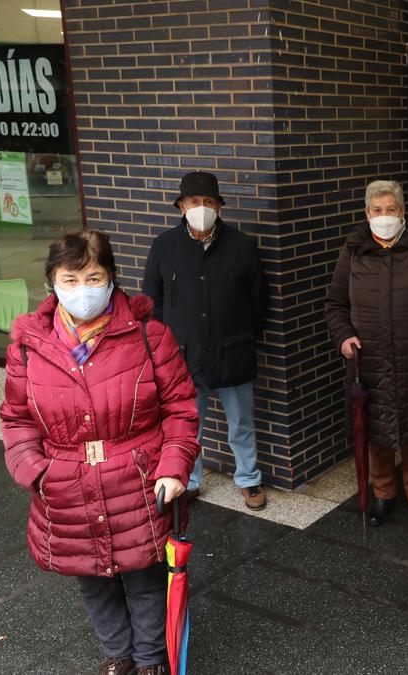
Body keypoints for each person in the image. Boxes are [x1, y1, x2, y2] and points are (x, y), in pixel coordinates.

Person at [1, 231, 200, 675]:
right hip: (66, 484)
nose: (83, 290)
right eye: (70, 279)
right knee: (93, 582)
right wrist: (35, 471)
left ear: (111, 279)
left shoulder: (150, 336)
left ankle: (150, 661)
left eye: (94, 277)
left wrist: (173, 468)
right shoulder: (28, 348)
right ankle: (118, 656)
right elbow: (16, 419)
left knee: (146, 580)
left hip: (139, 480)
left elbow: (181, 409)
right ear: (52, 282)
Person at [325, 179, 408, 531]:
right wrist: (344, 337)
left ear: (402, 212)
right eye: (377, 211)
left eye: (390, 210)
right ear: (367, 214)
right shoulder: (353, 251)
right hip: (368, 362)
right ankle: (383, 494)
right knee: (376, 434)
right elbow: (336, 305)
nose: (384, 217)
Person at [142, 171, 269, 510]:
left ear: (219, 207)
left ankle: (249, 479)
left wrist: (246, 335)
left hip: (234, 351)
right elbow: (151, 299)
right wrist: (163, 345)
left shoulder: (242, 246)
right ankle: (189, 480)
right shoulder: (164, 246)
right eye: (195, 202)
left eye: (209, 202)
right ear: (181, 206)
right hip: (183, 355)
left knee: (241, 423)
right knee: (187, 424)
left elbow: (259, 301)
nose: (202, 208)